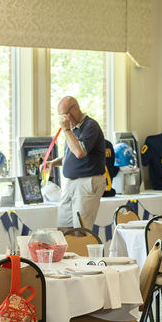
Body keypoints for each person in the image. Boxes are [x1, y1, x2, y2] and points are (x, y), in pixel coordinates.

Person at [43, 96, 106, 229]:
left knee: (80, 230)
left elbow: (79, 152)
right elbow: (71, 154)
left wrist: (66, 130)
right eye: (61, 117)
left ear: (75, 109)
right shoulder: (73, 129)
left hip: (86, 182)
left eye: (65, 115)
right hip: (71, 184)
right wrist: (54, 162)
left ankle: (82, 244)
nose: (63, 120)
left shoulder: (90, 126)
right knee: (63, 228)